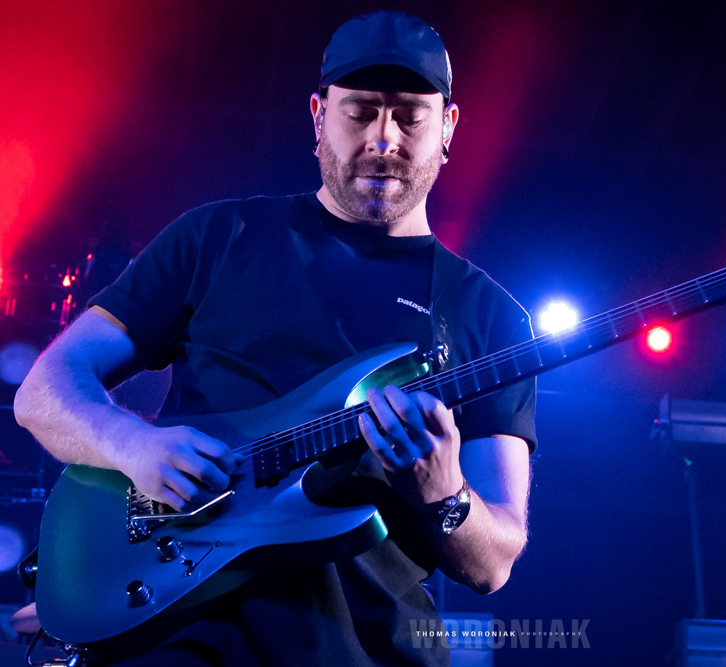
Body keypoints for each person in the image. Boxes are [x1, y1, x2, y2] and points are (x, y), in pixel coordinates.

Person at [14, 10, 535, 666]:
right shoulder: (216, 237)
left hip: (363, 649)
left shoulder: (489, 315)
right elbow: (44, 390)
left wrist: (443, 490)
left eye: (410, 117)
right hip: (180, 634)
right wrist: (132, 445)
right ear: (319, 116)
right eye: (360, 112)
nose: (383, 138)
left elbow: (494, 562)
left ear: (448, 127)